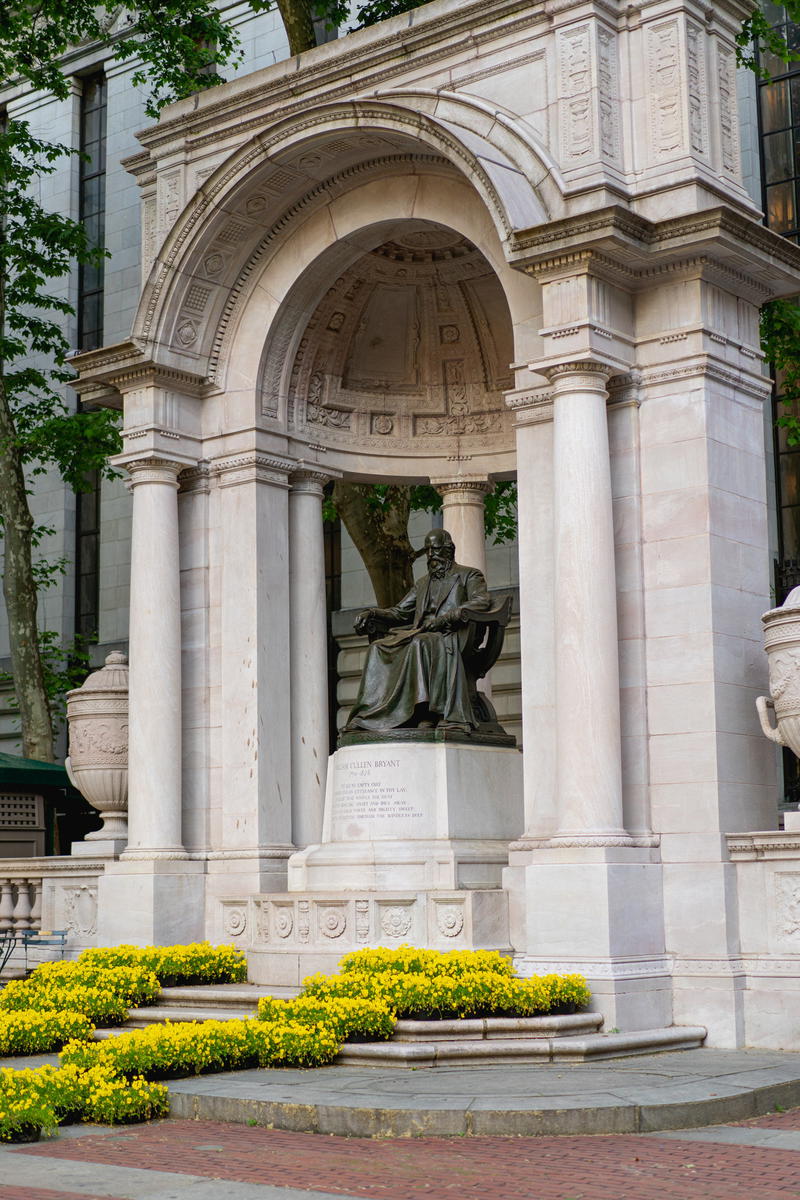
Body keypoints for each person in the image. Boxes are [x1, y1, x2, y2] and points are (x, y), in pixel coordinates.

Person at [344, 528, 492, 734]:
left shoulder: (469, 575)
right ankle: (372, 714)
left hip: (451, 635)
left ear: (449, 550)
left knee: (418, 643)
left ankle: (423, 712)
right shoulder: (422, 583)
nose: (432, 556)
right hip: (421, 634)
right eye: (428, 550)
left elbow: (481, 602)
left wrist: (446, 618)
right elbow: (399, 612)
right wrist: (372, 613)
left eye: (436, 549)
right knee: (377, 648)